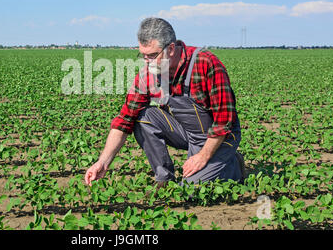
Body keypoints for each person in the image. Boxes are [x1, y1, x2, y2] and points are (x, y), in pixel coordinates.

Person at [84, 17, 245, 188]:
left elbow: (223, 121)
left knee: (191, 190)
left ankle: (233, 165)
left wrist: (202, 156)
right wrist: (102, 162)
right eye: (143, 55)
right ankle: (164, 178)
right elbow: (124, 120)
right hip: (186, 132)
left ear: (171, 49)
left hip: (221, 135)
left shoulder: (205, 63)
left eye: (153, 55)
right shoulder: (149, 74)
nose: (147, 62)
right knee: (143, 116)